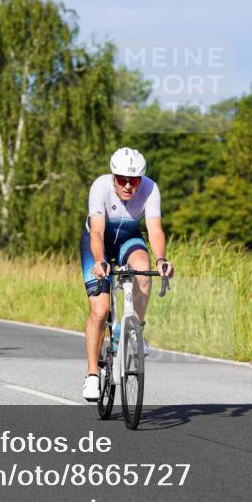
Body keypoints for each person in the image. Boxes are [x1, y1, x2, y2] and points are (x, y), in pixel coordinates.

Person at [80, 148, 174, 402]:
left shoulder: (150, 189)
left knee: (143, 267)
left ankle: (135, 331)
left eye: (134, 181)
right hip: (98, 243)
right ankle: (92, 374)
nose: (128, 186)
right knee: (99, 311)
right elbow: (97, 232)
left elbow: (154, 229)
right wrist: (99, 261)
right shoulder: (100, 187)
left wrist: (161, 260)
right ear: (113, 177)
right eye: (122, 180)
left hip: (129, 239)